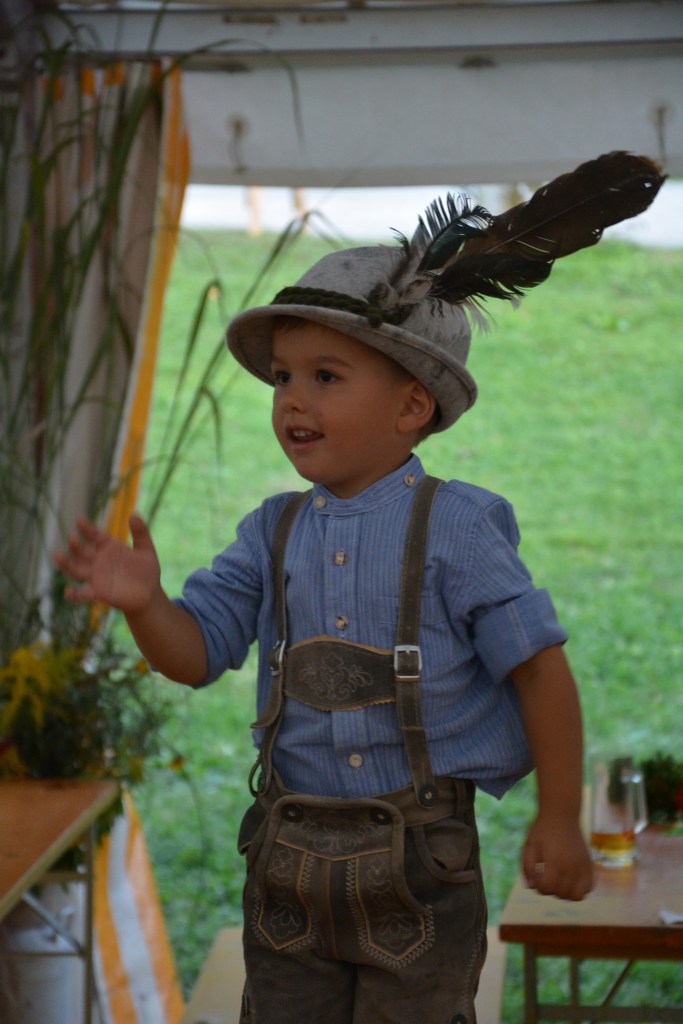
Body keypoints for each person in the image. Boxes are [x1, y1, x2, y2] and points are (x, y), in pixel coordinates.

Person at [55, 153, 663, 1024]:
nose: (291, 399)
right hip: (285, 865)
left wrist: (559, 817)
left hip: (418, 867)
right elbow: (195, 658)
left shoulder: (458, 527)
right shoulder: (269, 531)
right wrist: (148, 606)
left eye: (325, 376)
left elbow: (539, 670)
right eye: (282, 376)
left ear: (411, 407)